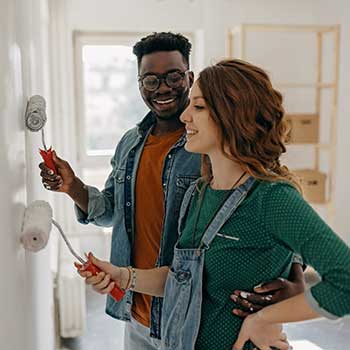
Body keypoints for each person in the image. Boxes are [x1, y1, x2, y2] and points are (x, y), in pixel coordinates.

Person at [39, 33, 305, 349]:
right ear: (139, 84)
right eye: (150, 80)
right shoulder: (130, 144)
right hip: (137, 311)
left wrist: (297, 278)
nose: (163, 88)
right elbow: (111, 210)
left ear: (189, 77)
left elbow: (270, 200)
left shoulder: (210, 144)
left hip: (194, 316)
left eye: (173, 76)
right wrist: (74, 187)